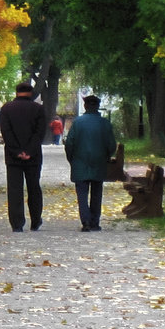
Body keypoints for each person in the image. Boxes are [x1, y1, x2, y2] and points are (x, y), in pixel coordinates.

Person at [64, 94, 117, 232]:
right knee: (97, 192)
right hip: (99, 162)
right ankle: (95, 222)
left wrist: (71, 159)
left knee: (82, 194)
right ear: (98, 106)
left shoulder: (77, 123)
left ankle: (86, 221)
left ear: (85, 106)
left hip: (80, 162)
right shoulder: (105, 123)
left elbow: (69, 143)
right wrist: (107, 156)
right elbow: (111, 145)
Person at [0, 82, 47, 231]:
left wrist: (17, 151)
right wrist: (30, 151)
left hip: (13, 157)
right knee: (34, 188)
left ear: (16, 92)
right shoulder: (38, 109)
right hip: (33, 157)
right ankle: (35, 220)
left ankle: (17, 223)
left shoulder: (6, 109)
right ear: (31, 93)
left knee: (14, 189)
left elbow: (6, 132)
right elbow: (39, 133)